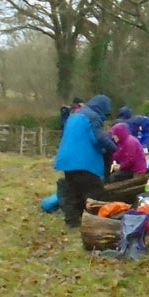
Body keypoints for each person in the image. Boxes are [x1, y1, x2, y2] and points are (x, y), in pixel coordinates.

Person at [54, 95, 116, 227]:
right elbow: (98, 138)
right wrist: (113, 147)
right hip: (83, 161)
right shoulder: (92, 116)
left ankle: (72, 221)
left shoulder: (75, 115)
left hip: (67, 160)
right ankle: (94, 221)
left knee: (72, 191)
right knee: (94, 191)